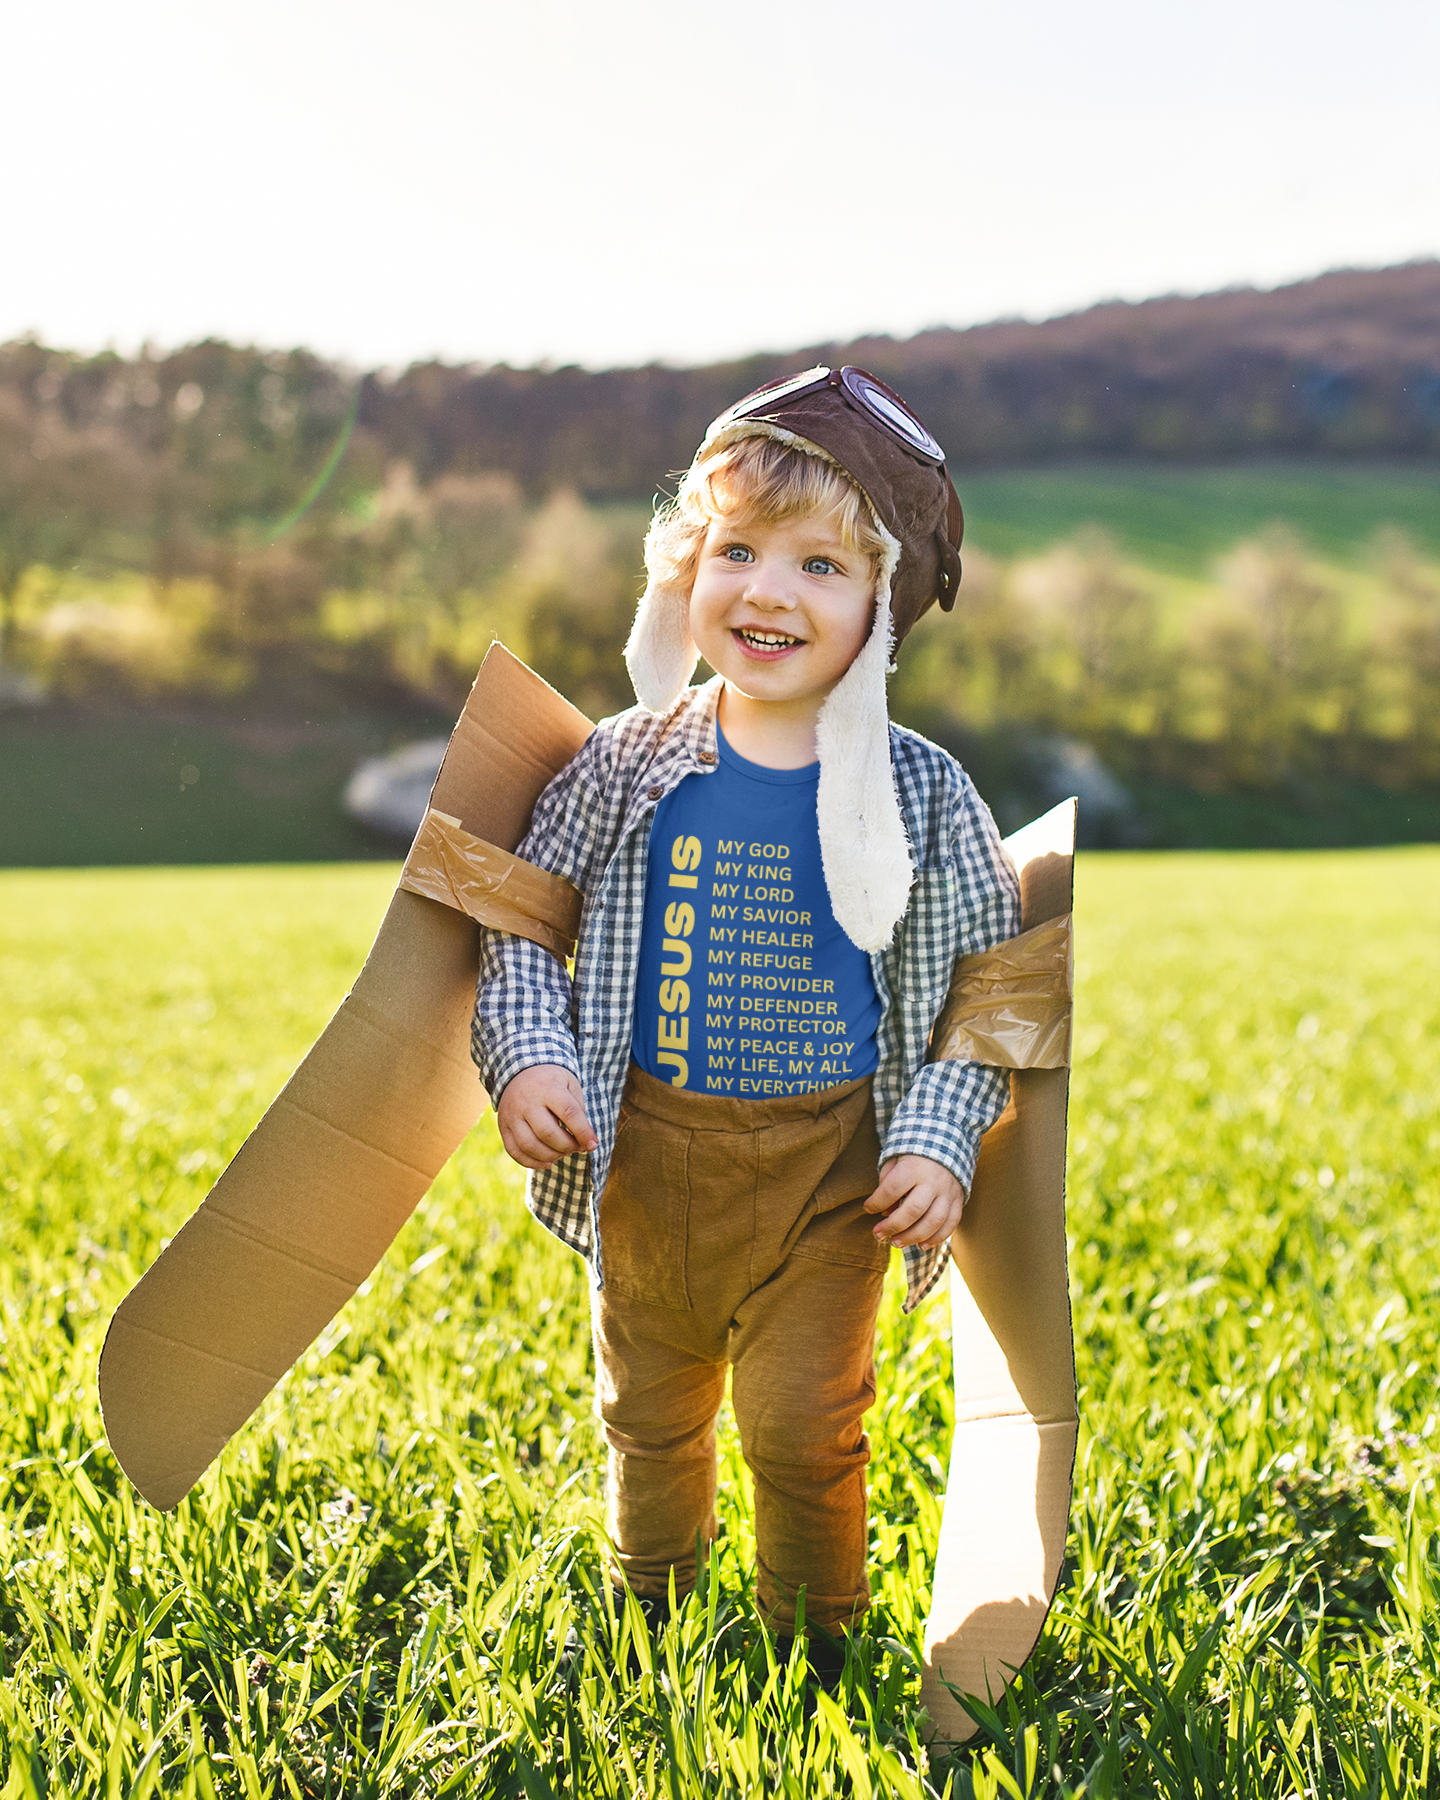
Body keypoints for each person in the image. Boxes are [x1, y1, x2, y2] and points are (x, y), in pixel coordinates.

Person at [470, 366, 1020, 1675]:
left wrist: (938, 1140)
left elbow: (990, 991)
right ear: (686, 566)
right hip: (648, 1161)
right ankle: (649, 1619)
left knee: (802, 1426)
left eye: (823, 565)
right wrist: (530, 1054)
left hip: (830, 1180)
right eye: (740, 551)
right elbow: (521, 925)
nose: (769, 591)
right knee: (649, 1414)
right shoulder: (625, 761)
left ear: (882, 605)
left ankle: (812, 1647)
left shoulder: (922, 794)